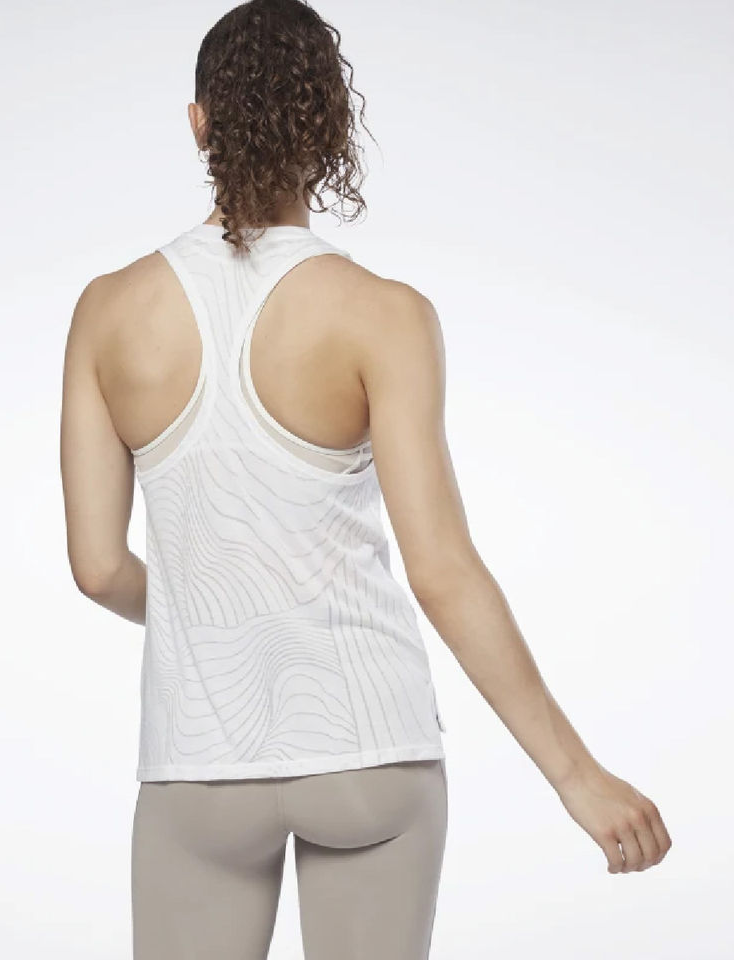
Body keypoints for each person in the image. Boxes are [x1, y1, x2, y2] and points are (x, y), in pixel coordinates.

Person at [59, 1, 672, 957]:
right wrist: (575, 776)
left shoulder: (107, 312)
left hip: (197, 765)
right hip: (370, 752)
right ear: (330, 127)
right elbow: (443, 571)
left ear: (200, 123)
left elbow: (98, 568)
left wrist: (207, 606)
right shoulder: (383, 315)